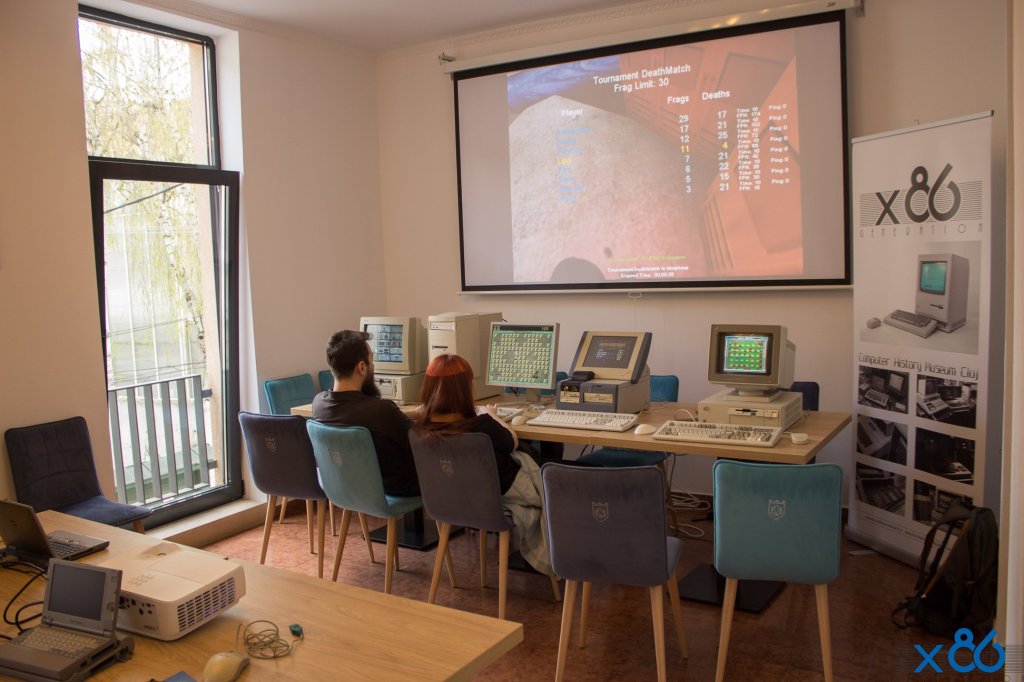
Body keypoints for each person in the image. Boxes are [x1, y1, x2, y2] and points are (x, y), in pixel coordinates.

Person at [412, 353, 552, 576]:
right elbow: (511, 441)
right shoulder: (482, 426)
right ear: (464, 389)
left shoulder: (419, 430)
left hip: (448, 503)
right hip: (494, 502)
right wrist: (493, 415)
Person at [312, 329, 419, 496]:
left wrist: (417, 412)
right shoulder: (381, 410)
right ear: (362, 367)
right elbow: (421, 440)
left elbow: (377, 420)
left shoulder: (319, 404)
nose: (373, 366)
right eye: (371, 360)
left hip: (351, 489)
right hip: (395, 491)